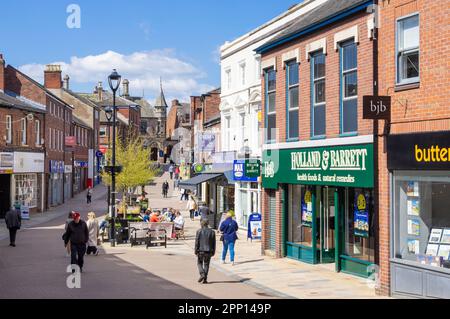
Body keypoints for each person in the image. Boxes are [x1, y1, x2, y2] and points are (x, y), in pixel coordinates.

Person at [195, 219, 216, 284]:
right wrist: (213, 251)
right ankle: (205, 279)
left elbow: (197, 242)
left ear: (202, 224)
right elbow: (214, 243)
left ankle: (202, 274)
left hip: (200, 250)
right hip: (209, 250)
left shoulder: (199, 231)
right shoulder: (212, 232)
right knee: (206, 264)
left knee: (199, 263)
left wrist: (196, 250)